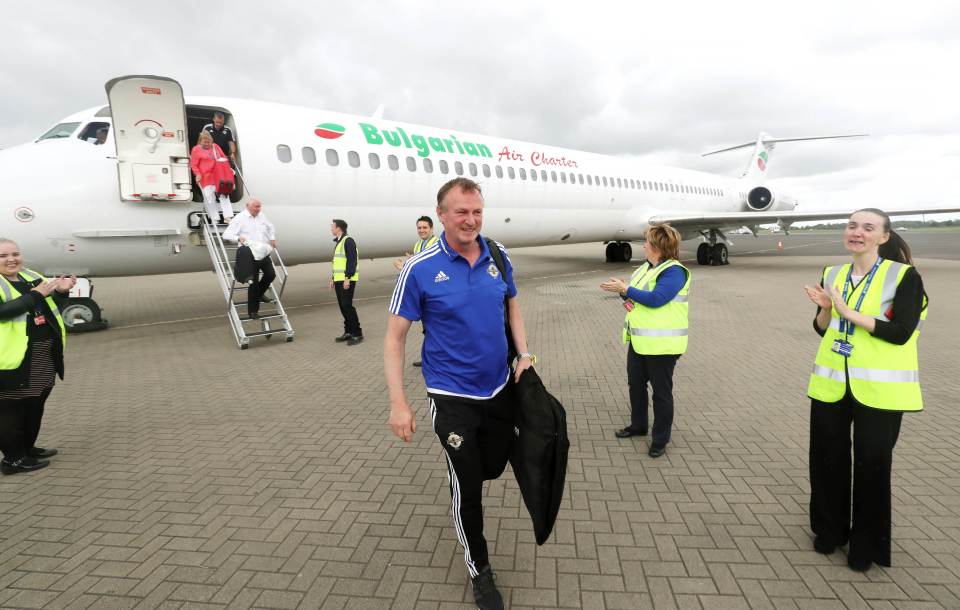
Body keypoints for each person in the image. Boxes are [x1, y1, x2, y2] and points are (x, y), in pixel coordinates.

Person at [385, 177, 534, 610]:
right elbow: (394, 339)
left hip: (500, 388)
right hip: (451, 397)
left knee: (492, 465)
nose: (470, 220)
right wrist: (399, 403)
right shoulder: (420, 268)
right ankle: (480, 570)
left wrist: (524, 354)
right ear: (442, 215)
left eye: (477, 211)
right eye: (461, 212)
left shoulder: (499, 256)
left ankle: (478, 467)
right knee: (467, 484)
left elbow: (512, 306)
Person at [803, 208, 926, 573]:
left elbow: (901, 332)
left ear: (884, 237)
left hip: (879, 390)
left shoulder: (904, 277)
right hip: (832, 384)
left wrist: (847, 310)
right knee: (826, 463)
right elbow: (823, 328)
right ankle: (829, 533)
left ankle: (865, 547)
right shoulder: (833, 273)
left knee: (872, 467)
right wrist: (826, 310)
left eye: (868, 227)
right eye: (852, 225)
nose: (857, 232)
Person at [600, 225, 690, 458]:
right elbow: (636, 297)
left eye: (647, 242)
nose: (643, 245)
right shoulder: (645, 268)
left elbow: (657, 299)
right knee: (636, 385)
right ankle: (638, 426)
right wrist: (622, 292)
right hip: (640, 341)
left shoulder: (674, 272)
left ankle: (660, 439)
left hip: (662, 345)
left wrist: (626, 288)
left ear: (658, 247)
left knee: (661, 393)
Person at [0, 238, 75, 475]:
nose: (11, 259)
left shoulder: (30, 275)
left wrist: (61, 292)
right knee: (11, 411)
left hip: (41, 355)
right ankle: (12, 459)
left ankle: (27, 449)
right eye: (3, 256)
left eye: (15, 253)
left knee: (35, 404)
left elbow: (46, 303)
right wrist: (35, 295)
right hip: (11, 360)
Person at [393, 216, 439, 367]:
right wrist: (407, 264)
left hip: (435, 292)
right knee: (427, 329)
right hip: (423, 292)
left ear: (431, 228)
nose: (422, 230)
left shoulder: (436, 243)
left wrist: (407, 266)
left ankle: (436, 360)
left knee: (435, 329)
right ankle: (428, 358)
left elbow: (434, 267)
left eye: (425, 227)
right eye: (419, 228)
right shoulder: (418, 244)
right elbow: (418, 266)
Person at [222, 200, 276, 320]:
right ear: (248, 207)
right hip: (249, 253)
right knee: (254, 283)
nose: (258, 209)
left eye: (259, 206)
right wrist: (237, 237)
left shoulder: (262, 216)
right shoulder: (240, 218)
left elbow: (270, 226)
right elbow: (226, 234)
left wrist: (272, 239)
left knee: (271, 274)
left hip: (262, 251)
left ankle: (260, 294)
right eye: (256, 207)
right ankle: (253, 312)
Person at [189, 131, 234, 226]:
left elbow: (223, 158)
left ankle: (228, 217)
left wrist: (228, 169)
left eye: (208, 142)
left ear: (211, 141)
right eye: (204, 142)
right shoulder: (196, 150)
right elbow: (193, 164)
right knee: (209, 198)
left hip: (218, 175)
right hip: (205, 177)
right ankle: (215, 218)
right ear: (200, 141)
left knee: (224, 195)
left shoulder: (215, 147)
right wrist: (197, 174)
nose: (207, 144)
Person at [330, 219, 362, 345]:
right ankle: (348, 331)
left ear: (339, 228)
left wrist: (347, 278)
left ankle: (357, 333)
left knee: (347, 306)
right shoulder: (339, 242)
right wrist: (333, 278)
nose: (331, 229)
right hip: (339, 279)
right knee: (343, 306)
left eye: (332, 227)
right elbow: (338, 262)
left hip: (346, 279)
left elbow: (351, 261)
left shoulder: (348, 241)